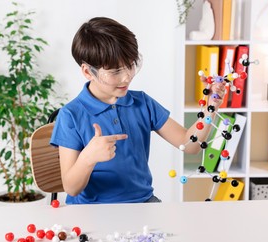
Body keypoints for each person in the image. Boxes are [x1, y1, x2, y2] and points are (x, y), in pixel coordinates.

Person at [50, 17, 225, 204]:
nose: (126, 77)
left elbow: (190, 145)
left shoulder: (142, 103)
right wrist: (87, 158)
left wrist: (211, 106)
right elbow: (71, 188)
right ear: (87, 72)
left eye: (131, 65)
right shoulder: (71, 115)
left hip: (142, 204)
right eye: (115, 71)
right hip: (91, 209)